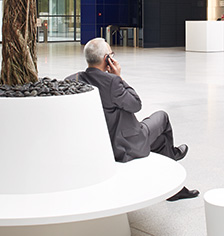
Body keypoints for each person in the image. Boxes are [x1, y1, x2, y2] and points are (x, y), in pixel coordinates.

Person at [68, 38, 199, 201]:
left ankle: (174, 185)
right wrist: (119, 77)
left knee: (161, 141)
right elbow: (136, 104)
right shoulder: (112, 82)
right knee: (162, 117)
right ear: (107, 59)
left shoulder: (72, 80)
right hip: (121, 145)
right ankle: (173, 155)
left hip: (98, 143)